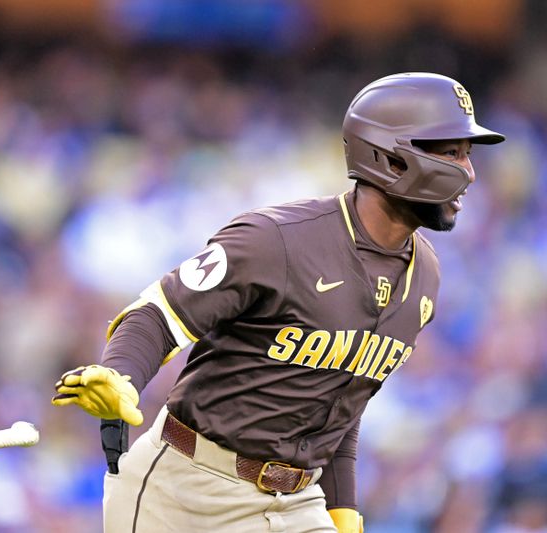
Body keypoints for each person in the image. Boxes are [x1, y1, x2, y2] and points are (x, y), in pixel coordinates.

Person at [52, 72, 505, 533]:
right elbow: (158, 313)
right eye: (451, 152)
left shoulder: (425, 277)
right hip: (186, 490)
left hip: (295, 504)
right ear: (390, 157)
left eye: (467, 154)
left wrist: (342, 508)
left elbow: (340, 407)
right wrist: (121, 374)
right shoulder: (277, 240)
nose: (468, 172)